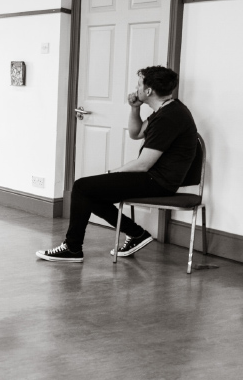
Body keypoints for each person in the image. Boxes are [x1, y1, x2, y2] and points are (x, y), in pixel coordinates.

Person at [37, 65, 198, 262]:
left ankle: (73, 248)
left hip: (158, 181)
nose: (136, 88)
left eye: (139, 84)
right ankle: (135, 234)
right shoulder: (166, 109)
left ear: (148, 91)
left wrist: (112, 173)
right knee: (89, 192)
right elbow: (136, 133)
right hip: (152, 177)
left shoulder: (170, 117)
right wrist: (135, 108)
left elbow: (142, 165)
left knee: (82, 187)